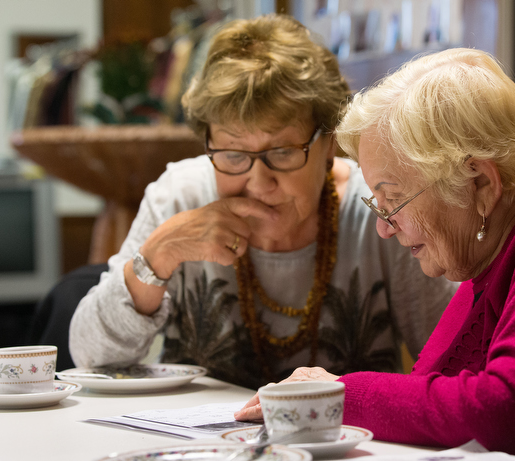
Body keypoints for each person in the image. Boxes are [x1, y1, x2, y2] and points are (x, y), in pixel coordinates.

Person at [235, 48, 515, 460]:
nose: (384, 227)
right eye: (376, 205)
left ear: (480, 184)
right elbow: (432, 389)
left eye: (393, 200)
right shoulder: (492, 247)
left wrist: (341, 394)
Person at [68, 14, 457, 390]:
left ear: (328, 144)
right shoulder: (179, 197)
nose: (257, 182)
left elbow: (459, 366)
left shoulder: (378, 212)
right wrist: (157, 257)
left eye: (283, 151)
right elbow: (88, 357)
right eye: (233, 154)